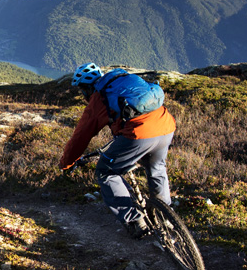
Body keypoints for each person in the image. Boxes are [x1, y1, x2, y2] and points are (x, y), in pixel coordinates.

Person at [59, 63, 176, 239]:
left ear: (86, 88)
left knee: (106, 172)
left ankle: (135, 222)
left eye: (82, 90)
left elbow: (80, 137)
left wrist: (66, 163)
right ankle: (165, 216)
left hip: (139, 134)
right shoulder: (124, 81)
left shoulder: (98, 99)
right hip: (166, 126)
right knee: (156, 167)